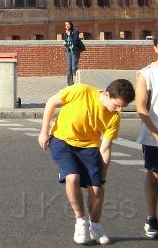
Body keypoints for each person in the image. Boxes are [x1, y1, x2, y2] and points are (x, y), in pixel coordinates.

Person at [38, 79, 135, 245]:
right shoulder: (80, 91)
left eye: (122, 107)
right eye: (117, 105)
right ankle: (80, 222)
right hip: (62, 140)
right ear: (106, 95)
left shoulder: (114, 118)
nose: (119, 110)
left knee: (97, 189)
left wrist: (101, 178)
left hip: (89, 147)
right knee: (72, 177)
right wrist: (44, 132)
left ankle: (95, 226)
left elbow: (105, 148)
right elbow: (51, 102)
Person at [136, 36, 158, 239]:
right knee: (155, 176)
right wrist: (155, 133)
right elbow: (141, 107)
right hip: (154, 136)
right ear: (156, 47)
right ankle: (152, 217)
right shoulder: (147, 74)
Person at [62, 21, 84, 85]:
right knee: (69, 68)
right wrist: (65, 44)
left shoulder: (75, 32)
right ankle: (70, 83)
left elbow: (74, 42)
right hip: (69, 51)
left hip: (75, 51)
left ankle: (78, 79)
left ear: (71, 25)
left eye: (68, 24)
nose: (67, 26)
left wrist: (69, 35)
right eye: (65, 25)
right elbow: (67, 41)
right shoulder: (65, 33)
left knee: (74, 68)